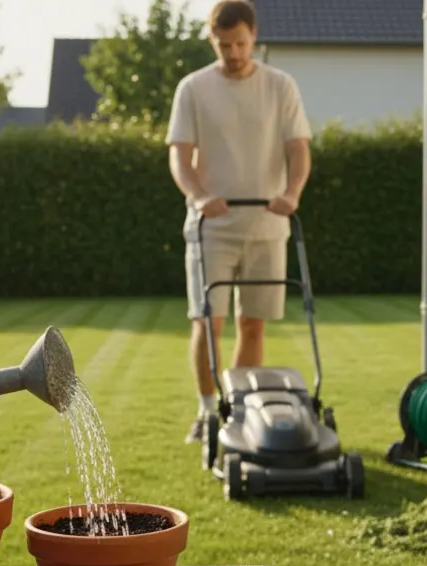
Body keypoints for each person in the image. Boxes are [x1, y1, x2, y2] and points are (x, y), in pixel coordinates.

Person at [166, 0, 312, 443]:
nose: (233, 53)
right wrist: (199, 195)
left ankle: (242, 410)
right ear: (213, 39)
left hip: (267, 225)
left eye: (241, 44)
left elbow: (299, 149)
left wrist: (291, 194)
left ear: (253, 37)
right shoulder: (193, 88)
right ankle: (208, 411)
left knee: (253, 324)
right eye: (225, 44)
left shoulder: (280, 86)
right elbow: (179, 154)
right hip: (212, 228)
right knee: (207, 320)